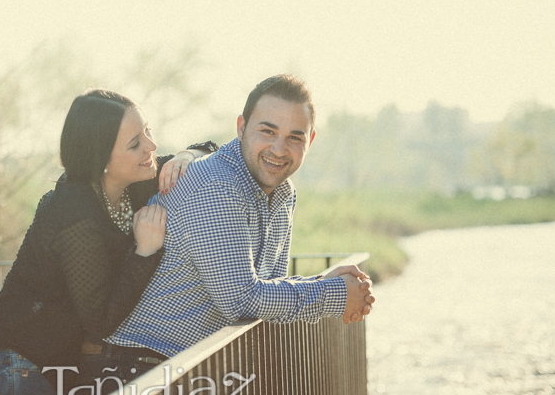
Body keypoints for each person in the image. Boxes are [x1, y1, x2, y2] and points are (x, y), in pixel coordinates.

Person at [0, 89, 216, 395]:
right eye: (135, 142)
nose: (151, 145)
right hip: (13, 364)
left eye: (147, 130)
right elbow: (100, 320)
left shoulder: (131, 183)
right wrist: (145, 253)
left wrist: (188, 155)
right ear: (100, 159)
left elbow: (215, 152)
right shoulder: (75, 212)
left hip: (46, 363)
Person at [103, 74, 374, 374]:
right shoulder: (216, 184)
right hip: (138, 373)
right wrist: (333, 295)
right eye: (267, 131)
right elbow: (241, 300)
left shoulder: (283, 193)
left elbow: (265, 292)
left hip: (192, 371)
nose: (279, 149)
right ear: (241, 127)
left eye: (295, 137)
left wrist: (320, 282)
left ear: (309, 141)